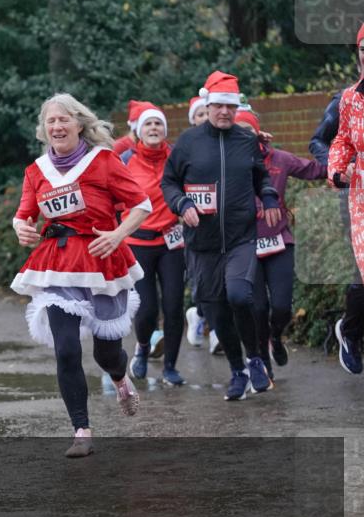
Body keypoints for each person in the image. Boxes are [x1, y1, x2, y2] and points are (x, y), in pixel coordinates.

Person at [11, 93, 151, 458]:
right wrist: (21, 229)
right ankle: (81, 431)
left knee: (107, 353)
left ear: (79, 124)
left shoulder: (103, 161)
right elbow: (23, 214)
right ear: (43, 130)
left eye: (64, 120)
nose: (56, 126)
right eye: (50, 122)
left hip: (101, 259)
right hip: (57, 262)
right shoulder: (36, 171)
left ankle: (120, 377)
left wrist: (119, 235)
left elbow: (141, 204)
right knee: (67, 351)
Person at [162, 71, 282, 401]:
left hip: (241, 238)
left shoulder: (246, 141)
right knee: (215, 309)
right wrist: (181, 202)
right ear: (208, 104)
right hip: (201, 245)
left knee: (240, 296)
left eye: (231, 106)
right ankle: (237, 370)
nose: (225, 113)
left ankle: (255, 358)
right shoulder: (188, 142)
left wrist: (269, 197)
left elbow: (262, 178)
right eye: (218, 106)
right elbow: (168, 182)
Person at [232, 110, 326, 385]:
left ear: (258, 134)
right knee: (258, 308)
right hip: (246, 247)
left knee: (282, 307)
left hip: (279, 242)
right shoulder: (226, 165)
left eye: (248, 131)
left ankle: (276, 337)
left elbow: (315, 170)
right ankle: (262, 360)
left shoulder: (280, 160)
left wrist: (336, 158)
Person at [120, 104, 187, 386]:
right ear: (138, 130)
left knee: (173, 306)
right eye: (148, 125)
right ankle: (143, 348)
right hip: (137, 242)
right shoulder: (125, 160)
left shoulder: (177, 157)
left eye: (158, 125)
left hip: (172, 241)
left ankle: (170, 366)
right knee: (147, 309)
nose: (154, 129)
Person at [328, 23, 364, 375]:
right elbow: (341, 140)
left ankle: (350, 329)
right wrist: (337, 169)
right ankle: (351, 333)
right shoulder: (350, 98)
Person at [184, 95, 212, 349]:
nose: (205, 118)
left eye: (207, 113)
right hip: (195, 227)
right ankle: (199, 315)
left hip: (224, 226)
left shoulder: (225, 144)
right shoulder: (185, 149)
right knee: (202, 283)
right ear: (193, 120)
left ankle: (217, 333)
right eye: (199, 114)